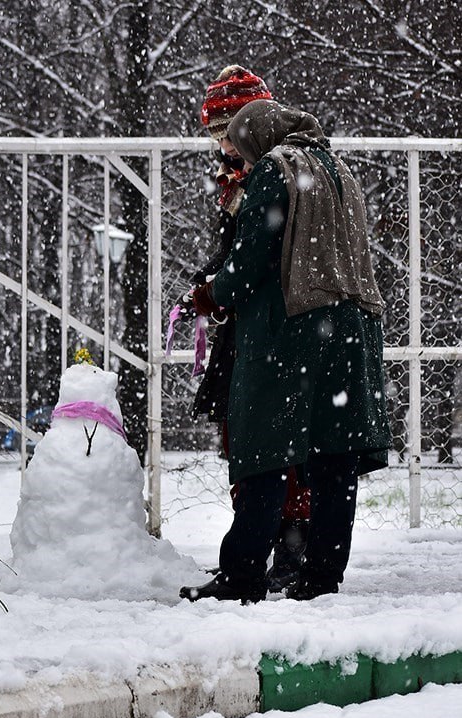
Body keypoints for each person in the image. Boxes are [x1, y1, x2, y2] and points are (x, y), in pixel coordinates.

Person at [180, 99, 391, 604]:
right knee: (333, 458)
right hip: (354, 330)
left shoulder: (277, 168)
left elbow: (253, 256)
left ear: (259, 139)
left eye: (242, 152)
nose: (241, 166)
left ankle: (242, 574)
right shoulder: (340, 169)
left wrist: (210, 293)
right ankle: (321, 578)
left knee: (263, 450)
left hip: (294, 330)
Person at [183, 66, 311, 591]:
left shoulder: (274, 174)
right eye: (215, 134)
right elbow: (238, 250)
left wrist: (220, 287)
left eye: (229, 131)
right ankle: (255, 545)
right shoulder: (234, 181)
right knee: (241, 437)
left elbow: (261, 253)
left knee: (277, 441)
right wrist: (211, 282)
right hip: (245, 326)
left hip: (274, 327)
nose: (224, 145)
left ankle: (289, 544)